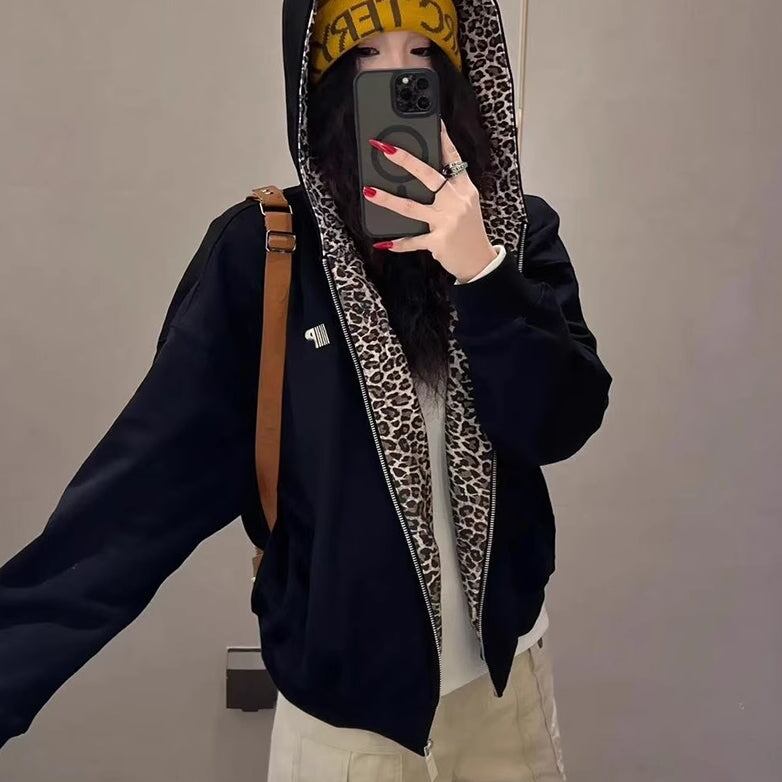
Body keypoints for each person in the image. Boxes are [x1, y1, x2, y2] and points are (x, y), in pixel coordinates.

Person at [0, 0, 612, 779]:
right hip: (346, 728)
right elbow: (134, 507)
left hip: (507, 691)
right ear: (318, 84)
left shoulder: (517, 234)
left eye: (424, 52)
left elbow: (560, 423)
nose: (398, 74)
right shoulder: (264, 256)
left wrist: (482, 273)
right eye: (365, 55)